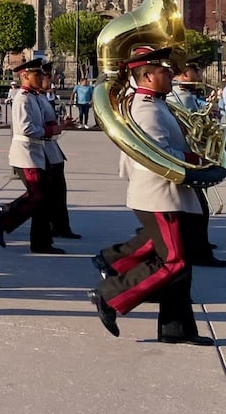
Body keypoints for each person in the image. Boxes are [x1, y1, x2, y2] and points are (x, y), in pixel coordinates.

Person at [89, 45, 213, 345]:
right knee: (174, 262)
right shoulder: (145, 108)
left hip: (168, 193)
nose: (170, 74)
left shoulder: (156, 103)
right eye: (163, 71)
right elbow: (160, 154)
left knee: (180, 266)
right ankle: (110, 294)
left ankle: (176, 328)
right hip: (159, 194)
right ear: (146, 75)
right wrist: (197, 161)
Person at [0, 58, 65, 255]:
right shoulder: (22, 98)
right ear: (24, 76)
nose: (41, 78)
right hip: (26, 153)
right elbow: (26, 128)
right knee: (38, 195)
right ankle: (1, 221)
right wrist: (51, 130)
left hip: (36, 152)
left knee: (43, 198)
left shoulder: (34, 97)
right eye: (36, 74)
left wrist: (53, 128)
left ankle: (41, 242)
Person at [167, 62, 226, 267]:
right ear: (184, 74)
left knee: (197, 209)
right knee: (196, 210)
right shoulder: (176, 97)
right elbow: (188, 127)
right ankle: (198, 251)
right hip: (184, 161)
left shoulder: (181, 95)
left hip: (188, 159)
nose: (200, 74)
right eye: (196, 70)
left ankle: (199, 247)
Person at [41, 62, 80, 240]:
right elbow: (34, 127)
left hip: (52, 149)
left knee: (59, 191)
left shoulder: (43, 97)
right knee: (46, 194)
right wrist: (60, 126)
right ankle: (6, 216)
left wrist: (62, 124)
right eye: (48, 77)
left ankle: (61, 226)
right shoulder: (33, 98)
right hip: (43, 150)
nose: (52, 80)